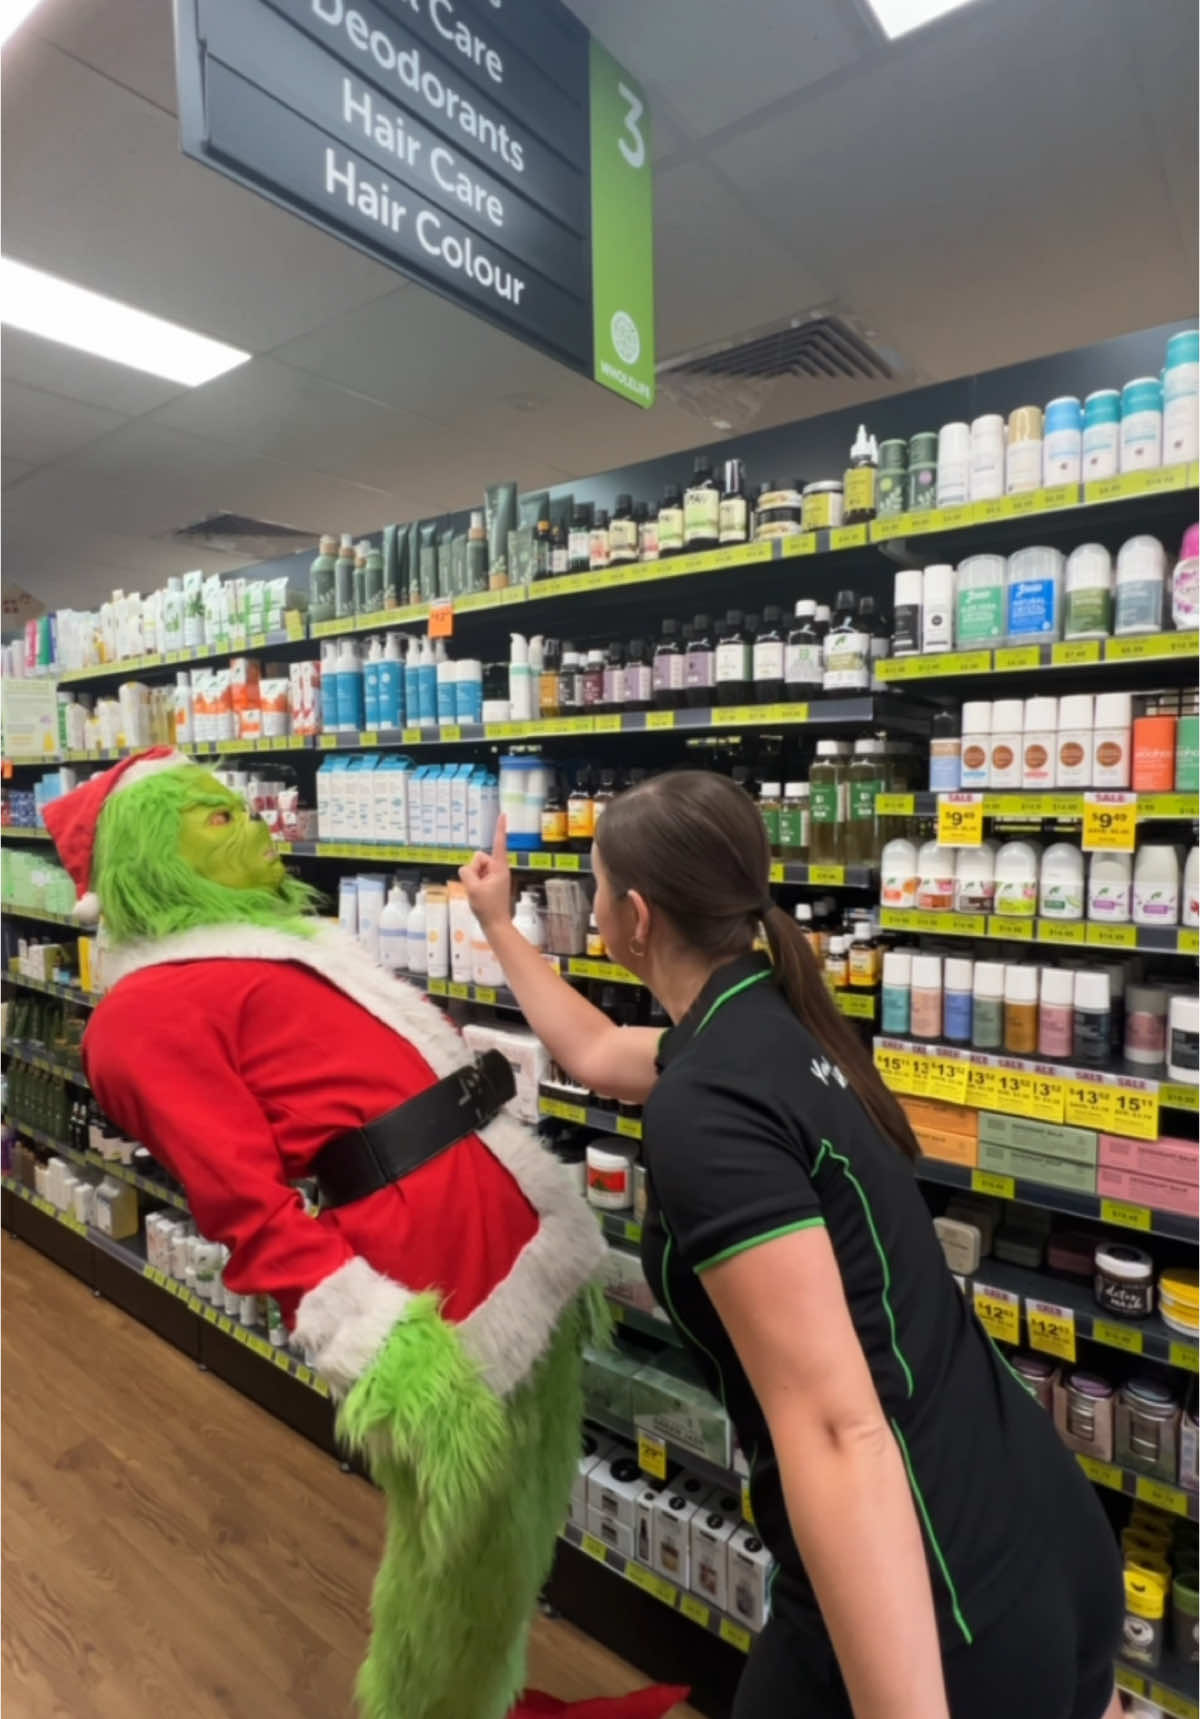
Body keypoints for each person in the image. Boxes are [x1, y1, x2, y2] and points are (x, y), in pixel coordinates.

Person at [461, 769, 1124, 1719]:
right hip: (1035, 1518)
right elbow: (599, 1053)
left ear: (634, 917)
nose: (596, 905)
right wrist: (496, 922)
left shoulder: (707, 1109)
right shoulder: (768, 1020)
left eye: (596, 885)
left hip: (938, 1591)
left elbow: (836, 1428)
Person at [43, 747, 685, 1719]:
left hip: (508, 1221)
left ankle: (480, 1694)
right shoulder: (141, 1015)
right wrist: (376, 1342)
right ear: (145, 858)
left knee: (518, 1514)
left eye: (238, 806)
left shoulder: (273, 943)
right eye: (213, 819)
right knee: (452, 1548)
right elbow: (242, 1206)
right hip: (426, 1282)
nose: (252, 821)